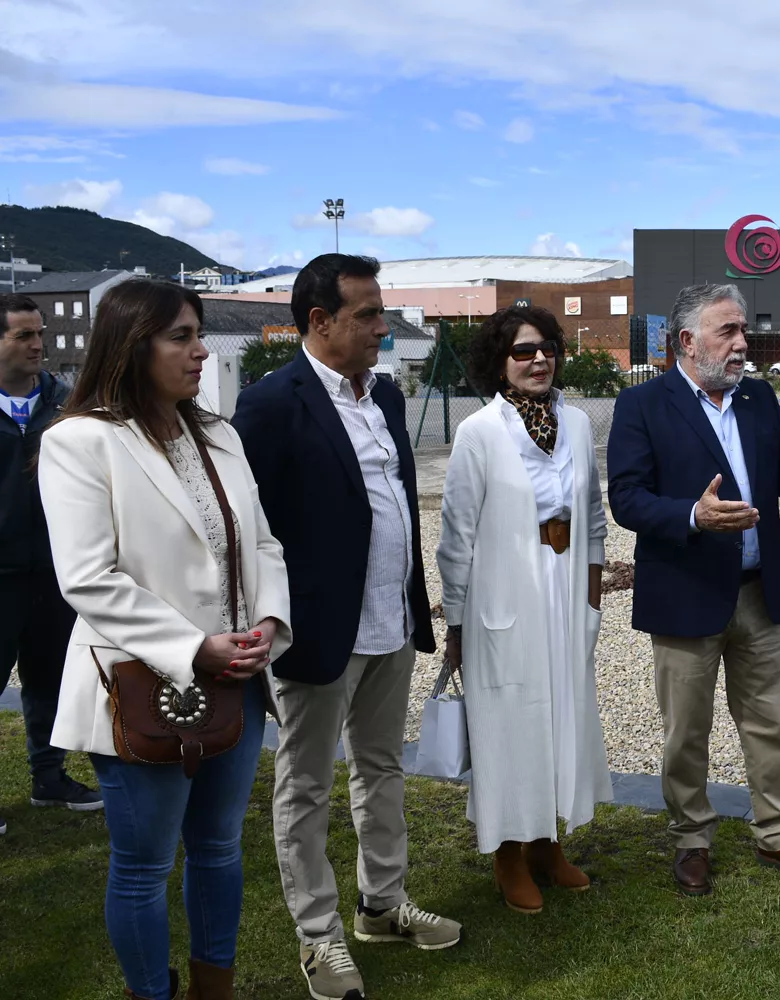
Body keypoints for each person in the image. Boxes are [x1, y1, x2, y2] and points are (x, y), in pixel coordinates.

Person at [38, 279, 292, 1000]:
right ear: (130, 344)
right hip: (137, 686)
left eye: (199, 333)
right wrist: (194, 648)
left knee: (217, 850)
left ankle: (216, 987)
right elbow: (88, 578)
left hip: (235, 678)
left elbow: (263, 544)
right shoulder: (80, 441)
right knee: (144, 866)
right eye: (180, 336)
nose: (201, 350)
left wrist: (267, 625)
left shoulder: (218, 433)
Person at [606, 283, 780, 896]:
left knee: (768, 722)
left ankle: (778, 834)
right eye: (727, 331)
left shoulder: (757, 398)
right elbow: (626, 498)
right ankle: (691, 839)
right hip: (685, 591)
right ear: (687, 341)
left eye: (741, 331)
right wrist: (692, 516)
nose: (742, 343)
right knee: (686, 731)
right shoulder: (644, 406)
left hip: (758, 592)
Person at [232, 253, 458, 1000]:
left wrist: (414, 600)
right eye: (367, 314)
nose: (382, 326)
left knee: (383, 768)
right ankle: (318, 937)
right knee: (304, 785)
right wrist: (262, 623)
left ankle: (381, 905)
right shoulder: (272, 404)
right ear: (319, 321)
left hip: (391, 622)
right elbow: (247, 529)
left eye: (381, 310)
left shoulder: (385, 396)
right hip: (316, 635)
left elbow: (391, 501)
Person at [435, 304, 612, 914]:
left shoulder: (580, 423)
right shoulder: (479, 433)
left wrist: (591, 594)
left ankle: (546, 842)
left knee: (560, 715)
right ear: (499, 361)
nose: (538, 359)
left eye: (547, 348)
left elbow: (593, 514)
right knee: (508, 724)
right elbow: (455, 537)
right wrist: (455, 623)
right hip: (501, 601)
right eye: (522, 350)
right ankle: (507, 852)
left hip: (565, 593)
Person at [0, 292, 101, 836]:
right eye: (24, 335)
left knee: (51, 680)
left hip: (53, 572)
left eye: (40, 333)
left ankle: (49, 777)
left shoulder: (65, 404)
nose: (39, 344)